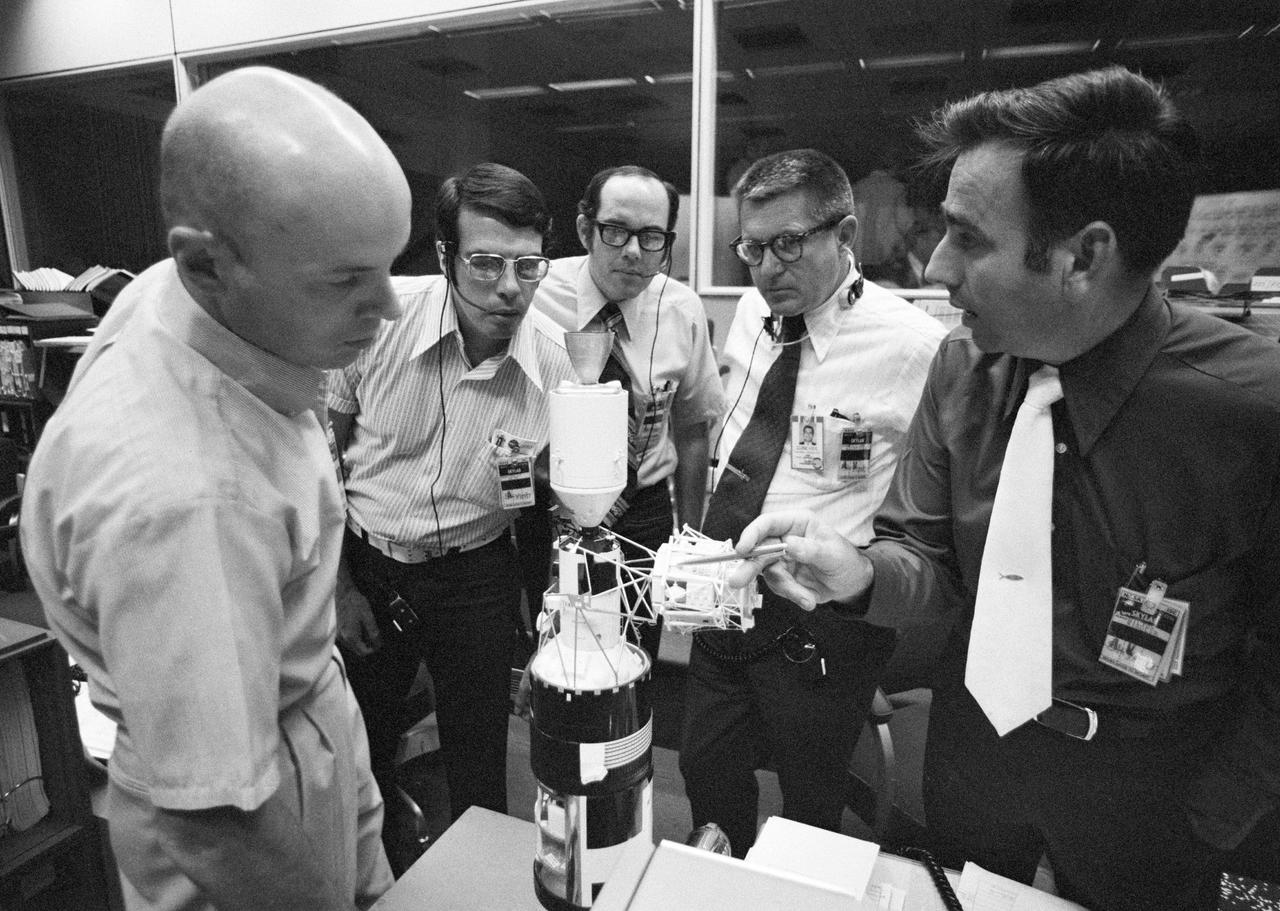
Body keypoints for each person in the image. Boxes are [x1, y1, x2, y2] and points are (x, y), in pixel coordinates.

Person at [725, 68, 1280, 911]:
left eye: (968, 238)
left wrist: (1218, 813)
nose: (935, 264)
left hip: (1154, 796)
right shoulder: (961, 369)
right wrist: (862, 573)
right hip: (973, 759)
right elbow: (930, 559)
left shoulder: (1247, 414)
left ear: (1083, 256)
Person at [20, 67, 408, 910]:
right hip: (248, 818)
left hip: (299, 728)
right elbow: (214, 826)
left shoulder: (189, 297)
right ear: (206, 263)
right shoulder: (189, 500)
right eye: (346, 280)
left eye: (387, 266)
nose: (388, 305)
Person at [679, 148, 946, 857]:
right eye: (753, 248)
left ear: (846, 234)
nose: (768, 269)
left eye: (789, 245)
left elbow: (937, 510)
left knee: (809, 800)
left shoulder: (916, 346)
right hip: (727, 587)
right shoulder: (747, 313)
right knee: (706, 769)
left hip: (821, 617)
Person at [329, 162, 576, 870]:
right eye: (486, 263)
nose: (508, 287)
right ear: (444, 257)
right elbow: (324, 455)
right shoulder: (377, 324)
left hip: (476, 573)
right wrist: (340, 587)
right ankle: (377, 876)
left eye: (529, 267)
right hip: (371, 566)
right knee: (360, 749)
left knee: (479, 755)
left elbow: (550, 506)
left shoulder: (556, 368)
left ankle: (476, 883)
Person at [534, 164, 724, 660]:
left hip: (642, 509)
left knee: (633, 654)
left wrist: (690, 538)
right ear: (585, 230)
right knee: (556, 655)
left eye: (652, 237)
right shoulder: (534, 295)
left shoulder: (681, 311)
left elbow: (693, 428)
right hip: (550, 505)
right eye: (616, 231)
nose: (634, 252)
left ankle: (629, 736)